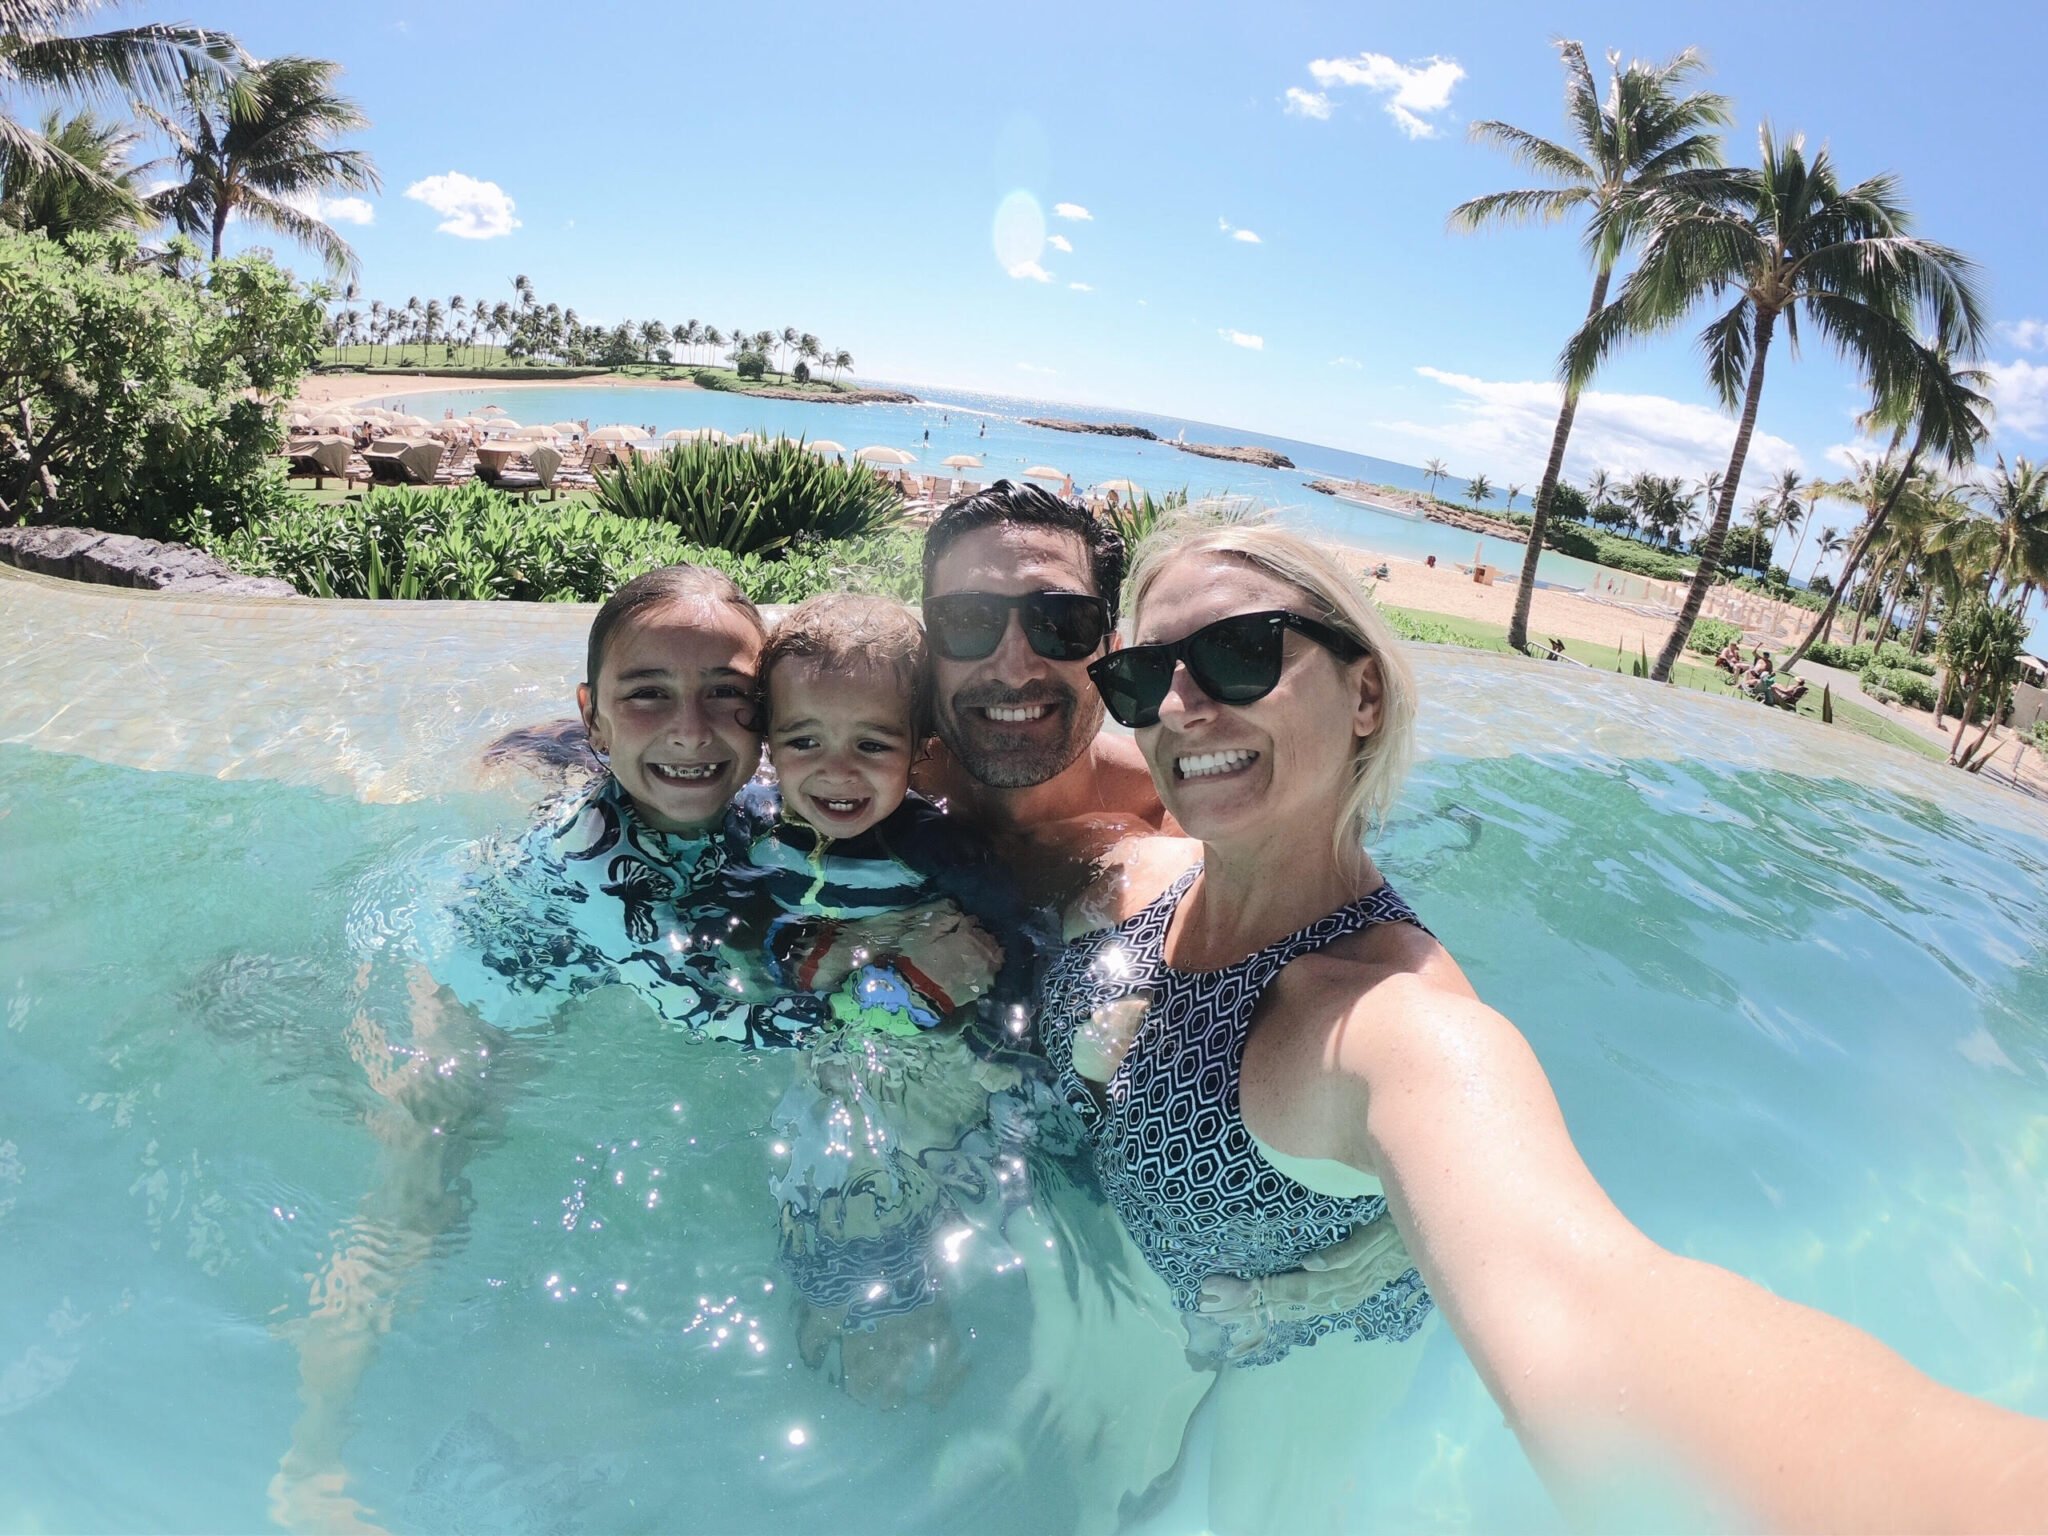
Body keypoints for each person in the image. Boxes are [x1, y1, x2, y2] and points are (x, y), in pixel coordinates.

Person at [1039, 522, 2048, 1532]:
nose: (1178, 705)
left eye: (1240, 652)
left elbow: (1588, 1308)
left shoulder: (1386, 1022)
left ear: (1364, 695)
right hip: (1163, 1288)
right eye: (1140, 675)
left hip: (1316, 1344)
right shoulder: (1148, 883)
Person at [911, 479, 1171, 906]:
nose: (1015, 672)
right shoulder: (866, 782)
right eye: (967, 622)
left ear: (1111, 654)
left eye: (1060, 622)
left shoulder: (1176, 815)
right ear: (926, 651)